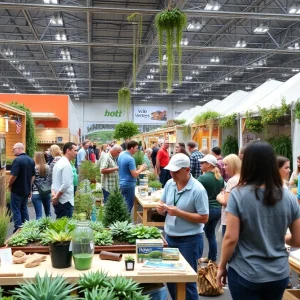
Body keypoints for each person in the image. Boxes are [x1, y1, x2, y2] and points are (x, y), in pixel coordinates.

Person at [217, 141, 300, 300]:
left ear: (247, 164)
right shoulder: (289, 196)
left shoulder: (238, 195)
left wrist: (221, 266)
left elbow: (231, 238)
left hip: (245, 272)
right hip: (279, 274)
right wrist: (277, 237)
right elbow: (297, 240)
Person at [156, 153, 209, 300]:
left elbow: (204, 218)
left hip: (189, 241)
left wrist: (179, 213)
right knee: (172, 279)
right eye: (171, 170)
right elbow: (162, 204)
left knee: (187, 282)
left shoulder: (198, 189)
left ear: (187, 169)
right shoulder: (169, 184)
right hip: (170, 238)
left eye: (176, 171)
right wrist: (160, 209)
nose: (172, 174)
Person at [198, 154, 224, 264]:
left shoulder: (202, 178)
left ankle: (198, 257)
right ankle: (212, 258)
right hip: (218, 209)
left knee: (199, 233)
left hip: (206, 209)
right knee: (210, 234)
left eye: (202, 163)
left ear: (208, 165)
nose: (200, 165)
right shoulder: (220, 177)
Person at [8, 143, 35, 233]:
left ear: (19, 149)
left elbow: (13, 176)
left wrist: (9, 184)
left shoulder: (17, 160)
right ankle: (26, 228)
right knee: (24, 208)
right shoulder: (31, 160)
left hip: (17, 190)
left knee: (15, 210)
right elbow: (33, 176)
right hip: (26, 190)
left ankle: (18, 229)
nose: (13, 151)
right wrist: (29, 187)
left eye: (14, 149)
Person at [118, 140, 147, 212]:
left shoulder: (121, 154)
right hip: (129, 184)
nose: (137, 150)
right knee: (128, 205)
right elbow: (134, 174)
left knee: (122, 204)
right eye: (136, 148)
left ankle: (121, 220)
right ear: (131, 148)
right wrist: (141, 169)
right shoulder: (130, 159)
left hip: (121, 182)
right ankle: (125, 221)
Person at [217, 154, 241, 236]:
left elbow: (226, 202)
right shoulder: (241, 177)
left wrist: (219, 197)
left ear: (233, 165)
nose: (223, 167)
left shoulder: (232, 180)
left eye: (226, 165)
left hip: (228, 220)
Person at [51, 142, 78, 218]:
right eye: (75, 150)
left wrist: (54, 194)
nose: (77, 153)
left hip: (59, 199)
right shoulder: (66, 164)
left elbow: (53, 181)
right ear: (68, 151)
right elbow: (66, 184)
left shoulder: (58, 163)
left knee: (60, 224)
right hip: (65, 201)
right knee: (65, 227)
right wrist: (56, 197)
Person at [32, 152, 51, 220]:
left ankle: (39, 230)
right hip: (47, 191)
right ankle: (49, 229)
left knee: (39, 214)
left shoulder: (34, 168)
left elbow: (32, 180)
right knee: (48, 213)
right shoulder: (48, 167)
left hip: (36, 192)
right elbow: (50, 179)